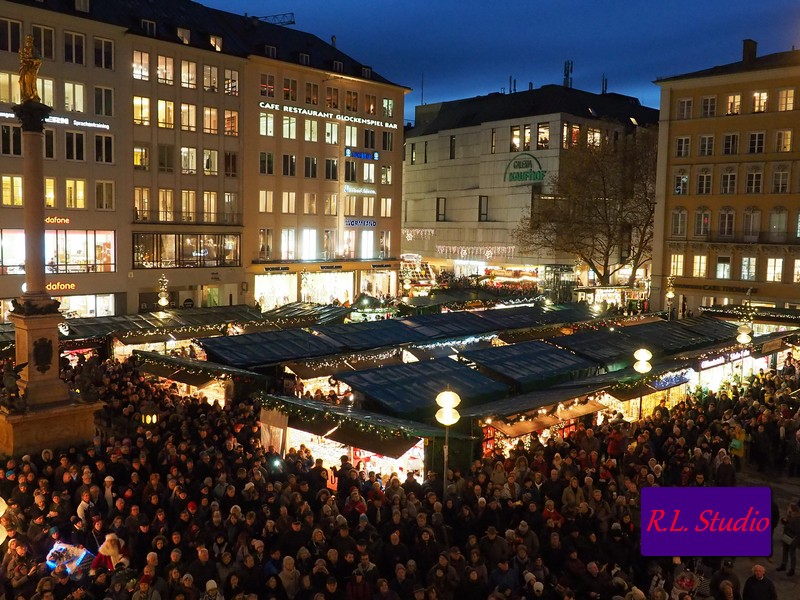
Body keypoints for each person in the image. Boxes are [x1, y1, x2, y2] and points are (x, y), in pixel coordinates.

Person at [777, 503, 800, 575]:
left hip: (793, 539)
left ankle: (792, 569)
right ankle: (783, 564)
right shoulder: (790, 517)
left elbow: (797, 530)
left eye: (790, 510)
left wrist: (786, 524)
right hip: (787, 536)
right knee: (785, 551)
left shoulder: (797, 519)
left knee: (792, 553)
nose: (788, 511)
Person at [18, 34, 42, 102]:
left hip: (32, 67)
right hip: (25, 67)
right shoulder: (22, 49)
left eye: (30, 40)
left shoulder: (35, 50)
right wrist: (27, 60)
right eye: (28, 40)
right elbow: (22, 59)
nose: (29, 41)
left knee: (29, 78)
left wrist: (32, 60)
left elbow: (38, 60)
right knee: (22, 80)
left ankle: (31, 94)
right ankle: (25, 95)